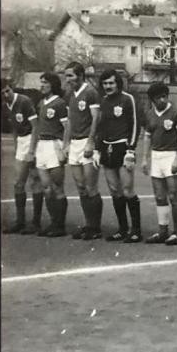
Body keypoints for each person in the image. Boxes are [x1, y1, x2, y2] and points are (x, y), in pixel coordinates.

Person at [93, 70, 143, 243]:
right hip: (107, 148)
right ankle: (122, 229)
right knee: (115, 190)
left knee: (128, 189)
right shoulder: (104, 101)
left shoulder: (128, 99)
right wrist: (97, 150)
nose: (108, 86)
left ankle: (136, 230)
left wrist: (131, 149)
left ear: (118, 83)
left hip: (123, 147)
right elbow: (101, 127)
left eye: (111, 83)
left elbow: (136, 124)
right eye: (105, 83)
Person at [140, 82, 177, 245]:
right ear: (152, 99)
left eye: (164, 96)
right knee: (160, 196)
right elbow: (147, 136)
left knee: (174, 195)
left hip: (171, 155)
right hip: (156, 156)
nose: (162, 100)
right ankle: (163, 231)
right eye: (158, 97)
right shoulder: (150, 114)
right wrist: (145, 158)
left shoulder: (176, 113)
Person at [61, 62, 103, 240]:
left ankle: (95, 227)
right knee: (80, 187)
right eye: (66, 76)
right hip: (75, 143)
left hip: (87, 142)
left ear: (80, 75)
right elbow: (70, 121)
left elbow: (96, 118)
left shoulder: (91, 92)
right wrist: (66, 143)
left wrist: (90, 143)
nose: (67, 79)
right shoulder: (71, 95)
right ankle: (88, 225)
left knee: (90, 186)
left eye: (70, 75)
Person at [27, 72, 70, 237]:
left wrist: (64, 148)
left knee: (57, 186)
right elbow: (37, 127)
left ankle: (60, 226)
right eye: (41, 82)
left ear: (52, 84)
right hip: (41, 145)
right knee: (46, 187)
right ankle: (53, 222)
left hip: (54, 145)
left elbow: (67, 127)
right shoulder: (40, 103)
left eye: (45, 82)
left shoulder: (59, 103)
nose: (42, 85)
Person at [1, 79, 47, 235]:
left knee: (34, 180)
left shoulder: (24, 101)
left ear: (11, 88)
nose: (5, 94)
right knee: (18, 183)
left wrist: (32, 151)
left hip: (32, 139)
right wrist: (16, 147)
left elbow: (36, 127)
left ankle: (36, 222)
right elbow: (14, 127)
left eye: (7, 90)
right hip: (21, 141)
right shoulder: (6, 106)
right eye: (2, 93)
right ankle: (21, 221)